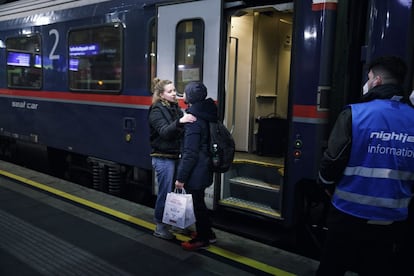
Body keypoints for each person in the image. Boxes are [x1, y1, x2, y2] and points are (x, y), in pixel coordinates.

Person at [316, 56, 414, 276]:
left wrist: (326, 184)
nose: (367, 82)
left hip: (348, 212)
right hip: (392, 217)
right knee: (377, 267)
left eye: (368, 77)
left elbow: (332, 160)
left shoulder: (355, 113)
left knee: (332, 267)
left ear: (377, 80)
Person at [148, 78, 196, 240]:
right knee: (165, 193)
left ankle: (176, 223)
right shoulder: (156, 110)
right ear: (161, 95)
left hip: (176, 155)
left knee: (178, 192)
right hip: (162, 158)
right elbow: (164, 132)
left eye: (174, 90)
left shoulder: (175, 107)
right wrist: (181, 121)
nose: (174, 93)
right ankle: (160, 227)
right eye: (170, 91)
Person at [175, 81, 217, 250]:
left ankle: (202, 238)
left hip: (196, 170)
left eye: (185, 93)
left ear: (190, 97)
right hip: (204, 166)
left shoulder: (193, 120)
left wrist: (181, 178)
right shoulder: (207, 112)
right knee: (199, 202)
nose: (182, 95)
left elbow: (190, 153)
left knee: (197, 205)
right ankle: (209, 234)